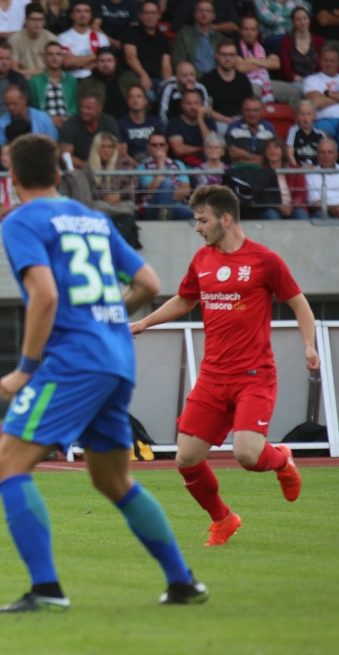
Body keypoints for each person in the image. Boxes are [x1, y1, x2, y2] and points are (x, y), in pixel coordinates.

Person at [0, 132, 207, 613]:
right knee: (112, 481)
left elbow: (45, 295)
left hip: (76, 361)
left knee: (7, 466)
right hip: (116, 359)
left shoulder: (22, 220)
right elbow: (148, 283)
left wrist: (25, 370)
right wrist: (104, 318)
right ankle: (182, 582)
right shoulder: (92, 218)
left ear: (13, 176)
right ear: (57, 174)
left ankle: (47, 591)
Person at [131, 184, 315, 545]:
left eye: (203, 220)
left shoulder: (264, 260)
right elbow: (184, 300)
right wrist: (144, 323)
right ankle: (223, 519)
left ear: (225, 219)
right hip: (212, 377)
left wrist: (309, 346)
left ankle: (282, 460)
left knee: (246, 454)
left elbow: (299, 304)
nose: (197, 227)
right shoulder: (202, 260)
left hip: (254, 376)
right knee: (186, 458)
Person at [236, 15, 301, 108]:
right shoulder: (235, 46)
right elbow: (241, 67)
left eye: (252, 29)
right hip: (246, 83)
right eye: (246, 29)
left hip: (267, 83)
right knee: (253, 92)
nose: (249, 32)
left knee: (294, 92)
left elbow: (276, 64)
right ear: (240, 30)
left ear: (257, 32)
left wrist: (252, 60)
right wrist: (265, 63)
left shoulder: (265, 46)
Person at [201, 42, 258, 130]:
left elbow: (250, 106)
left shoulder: (243, 80)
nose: (228, 59)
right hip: (218, 123)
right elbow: (207, 110)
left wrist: (240, 120)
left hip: (241, 121)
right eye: (224, 55)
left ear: (236, 57)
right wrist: (228, 120)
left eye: (231, 55)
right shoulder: (207, 80)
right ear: (217, 55)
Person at [136, 131, 193, 220]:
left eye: (162, 145)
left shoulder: (178, 164)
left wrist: (163, 195)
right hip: (153, 208)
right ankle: (164, 214)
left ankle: (165, 214)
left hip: (176, 208)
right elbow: (152, 190)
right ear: (148, 147)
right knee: (167, 182)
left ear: (167, 147)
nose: (158, 148)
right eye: (154, 145)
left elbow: (186, 191)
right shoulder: (142, 168)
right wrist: (160, 163)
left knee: (196, 212)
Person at [59, 91, 120, 168]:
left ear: (100, 108)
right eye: (82, 107)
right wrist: (89, 167)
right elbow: (65, 157)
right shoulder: (70, 125)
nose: (84, 111)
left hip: (107, 167)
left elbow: (118, 151)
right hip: (79, 169)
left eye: (89, 108)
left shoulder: (110, 123)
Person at [123, 1, 171, 99]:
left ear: (159, 15)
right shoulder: (131, 32)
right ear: (140, 15)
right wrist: (143, 75)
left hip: (157, 79)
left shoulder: (163, 39)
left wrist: (167, 84)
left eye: (153, 13)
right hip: (136, 77)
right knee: (151, 97)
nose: (150, 16)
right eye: (147, 13)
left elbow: (166, 66)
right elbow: (131, 58)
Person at [86, 130, 137, 219]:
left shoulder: (123, 164)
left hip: (120, 204)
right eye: (102, 147)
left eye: (109, 147)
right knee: (98, 206)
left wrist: (118, 195)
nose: (106, 150)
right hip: (100, 207)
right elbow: (88, 191)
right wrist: (107, 198)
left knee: (129, 207)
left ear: (114, 149)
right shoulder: (88, 169)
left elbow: (134, 183)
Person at [171, 0, 228, 77]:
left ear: (213, 16)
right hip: (191, 80)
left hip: (216, 80)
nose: (204, 14)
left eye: (208, 11)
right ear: (195, 14)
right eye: (200, 10)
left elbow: (225, 64)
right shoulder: (183, 35)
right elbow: (180, 63)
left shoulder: (221, 39)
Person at [28, 41, 77, 129]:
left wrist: (67, 121)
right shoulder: (34, 82)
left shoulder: (71, 80)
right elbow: (32, 110)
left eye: (58, 54)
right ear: (44, 58)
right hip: (43, 126)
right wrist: (48, 120)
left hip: (68, 125)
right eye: (50, 54)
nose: (54, 58)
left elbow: (75, 107)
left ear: (62, 58)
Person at [77, 46, 137, 119]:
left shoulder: (128, 78)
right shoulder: (87, 83)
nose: (106, 65)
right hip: (100, 121)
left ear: (116, 62)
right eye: (102, 61)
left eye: (109, 61)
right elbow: (82, 107)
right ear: (96, 63)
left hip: (128, 120)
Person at [257, 137, 310, 219]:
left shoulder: (294, 170)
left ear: (282, 151)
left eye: (276, 147)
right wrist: (278, 207)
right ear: (265, 153)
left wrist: (291, 206)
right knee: (271, 216)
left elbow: (301, 193)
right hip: (272, 208)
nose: (272, 151)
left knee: (301, 215)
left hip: (294, 207)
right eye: (269, 148)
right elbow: (262, 197)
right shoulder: (261, 172)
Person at [57, 1, 110, 80]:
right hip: (72, 80)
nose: (82, 14)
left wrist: (76, 61)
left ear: (91, 16)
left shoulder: (101, 37)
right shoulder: (63, 37)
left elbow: (106, 62)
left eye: (86, 11)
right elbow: (66, 62)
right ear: (72, 15)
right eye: (78, 11)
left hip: (97, 80)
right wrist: (97, 56)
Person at [167, 89, 217, 166]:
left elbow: (211, 144)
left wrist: (200, 119)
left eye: (196, 103)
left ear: (201, 104)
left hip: (207, 163)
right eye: (189, 103)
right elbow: (178, 150)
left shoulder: (209, 121)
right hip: (184, 165)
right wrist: (200, 148)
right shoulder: (175, 123)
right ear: (182, 105)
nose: (193, 107)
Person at [8, 3, 57, 79]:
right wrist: (38, 72)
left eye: (40, 20)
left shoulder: (51, 39)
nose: (37, 23)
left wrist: (28, 72)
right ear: (25, 21)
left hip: (46, 79)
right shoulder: (15, 39)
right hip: (23, 79)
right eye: (33, 20)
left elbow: (54, 68)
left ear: (44, 22)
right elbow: (14, 70)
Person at [225, 97, 277, 167]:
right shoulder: (233, 128)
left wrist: (246, 155)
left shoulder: (269, 128)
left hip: (263, 171)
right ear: (242, 111)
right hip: (239, 170)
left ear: (262, 111)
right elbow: (232, 157)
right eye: (248, 110)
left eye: (256, 110)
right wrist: (259, 159)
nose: (252, 114)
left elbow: (271, 157)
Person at [117, 84, 163, 160]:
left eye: (139, 96)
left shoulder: (156, 122)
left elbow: (163, 147)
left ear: (145, 101)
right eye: (132, 97)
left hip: (155, 162)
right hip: (132, 164)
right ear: (127, 101)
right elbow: (122, 154)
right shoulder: (120, 124)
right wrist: (140, 166)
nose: (135, 100)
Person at [157, 61, 210, 126]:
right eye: (185, 75)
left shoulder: (200, 88)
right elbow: (163, 114)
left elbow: (205, 111)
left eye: (192, 75)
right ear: (177, 77)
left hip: (195, 124)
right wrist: (171, 128)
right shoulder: (169, 88)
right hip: (173, 124)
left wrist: (193, 92)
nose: (189, 79)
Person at [280, 6, 323, 85]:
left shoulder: (319, 41)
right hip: (295, 81)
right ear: (293, 22)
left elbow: (324, 64)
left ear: (309, 20)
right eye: (298, 20)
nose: (302, 22)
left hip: (317, 80)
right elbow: (286, 70)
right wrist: (302, 80)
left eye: (305, 18)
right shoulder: (286, 42)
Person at [302, 44, 339, 130]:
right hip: (323, 121)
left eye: (332, 61)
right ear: (320, 62)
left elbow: (320, 100)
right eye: (326, 61)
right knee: (323, 135)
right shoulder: (311, 80)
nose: (329, 64)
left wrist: (327, 94)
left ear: (338, 62)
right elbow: (316, 102)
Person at [306, 137, 339, 217]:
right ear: (317, 155)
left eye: (330, 152)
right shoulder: (310, 175)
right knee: (320, 214)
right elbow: (314, 202)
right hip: (325, 211)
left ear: (336, 155)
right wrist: (335, 209)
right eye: (322, 152)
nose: (326, 156)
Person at [288, 100, 327, 166]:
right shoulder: (294, 131)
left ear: (314, 116)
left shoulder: (320, 134)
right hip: (299, 169)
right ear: (297, 116)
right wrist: (298, 169)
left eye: (308, 114)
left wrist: (316, 168)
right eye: (302, 114)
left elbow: (326, 155)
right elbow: (290, 154)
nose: (305, 118)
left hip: (317, 170)